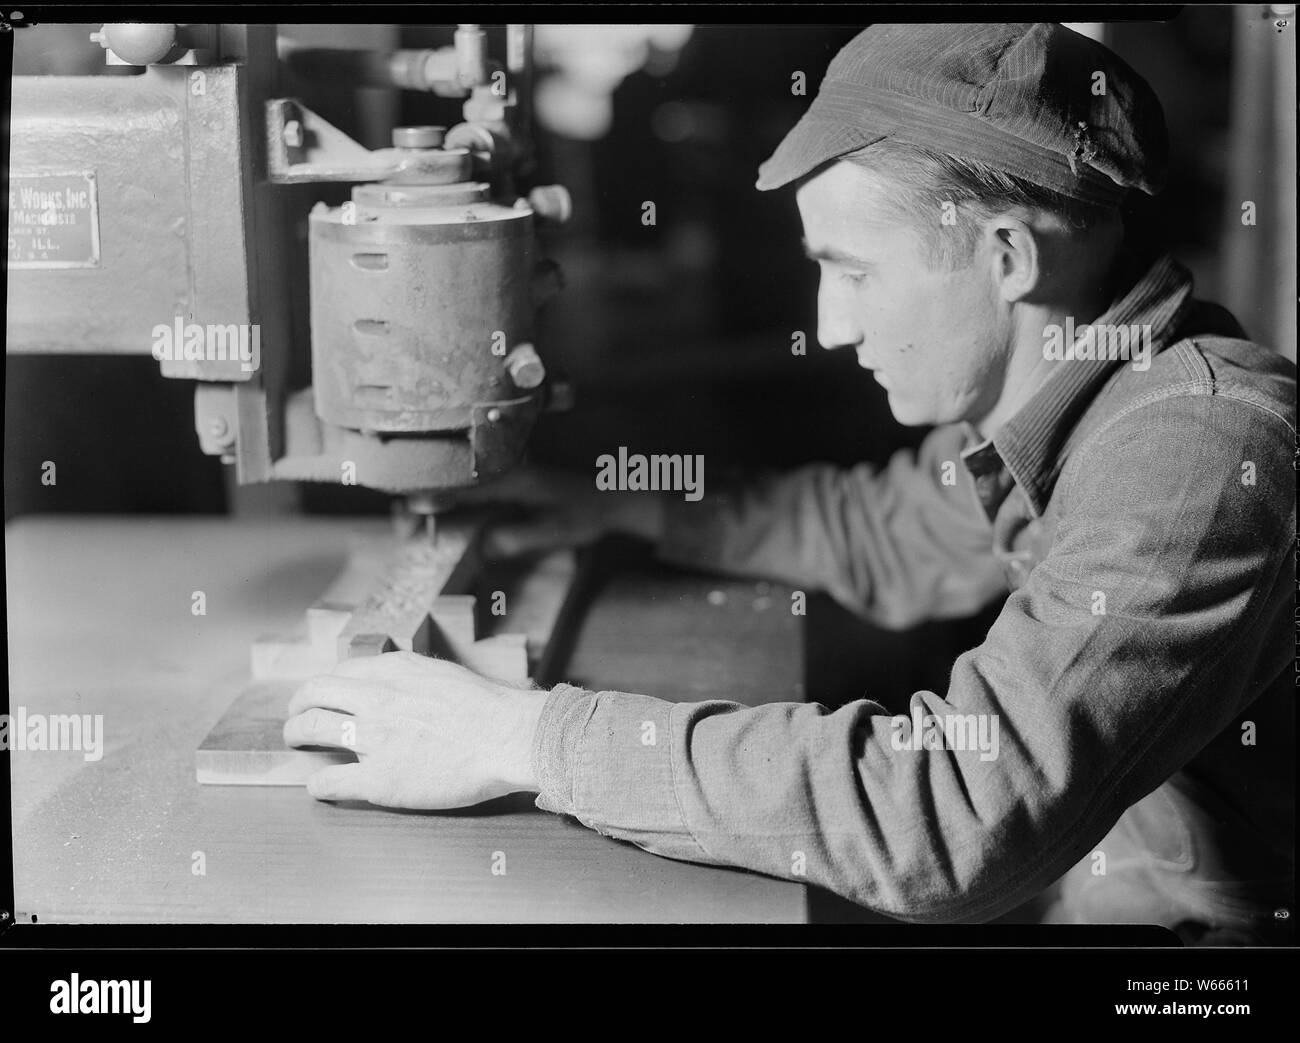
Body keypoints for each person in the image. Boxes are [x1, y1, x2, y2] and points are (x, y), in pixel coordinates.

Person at [284, 23, 1295, 940]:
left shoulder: (1191, 452)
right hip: (1106, 884)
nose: (837, 322)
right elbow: (882, 533)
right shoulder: (1081, 394)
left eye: (852, 271)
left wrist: (519, 736)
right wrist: (610, 507)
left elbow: (951, 815)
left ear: (1004, 256)